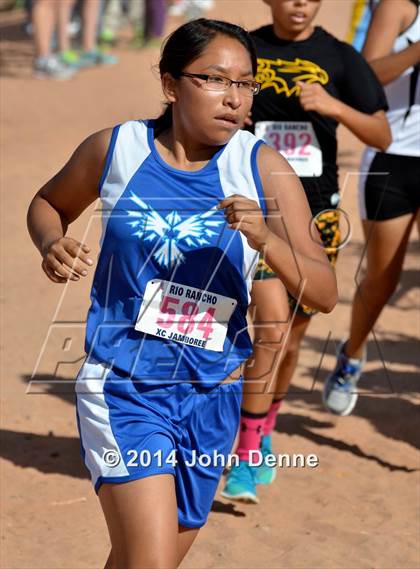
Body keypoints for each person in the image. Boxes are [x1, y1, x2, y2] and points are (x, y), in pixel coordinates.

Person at [27, 17, 337, 568]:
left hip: (213, 394)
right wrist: (52, 240)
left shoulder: (262, 167)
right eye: (215, 80)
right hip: (124, 386)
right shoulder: (117, 149)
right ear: (171, 85)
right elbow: (49, 203)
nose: (234, 98)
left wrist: (267, 238)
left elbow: (325, 290)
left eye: (246, 84)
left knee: (144, 560)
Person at [221, 0, 391, 504]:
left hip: (315, 217)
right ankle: (246, 454)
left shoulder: (340, 58)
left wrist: (333, 106)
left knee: (289, 339)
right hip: (252, 205)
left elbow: (381, 133)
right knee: (268, 326)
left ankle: (264, 424)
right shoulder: (242, 48)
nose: (300, 3)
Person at [323, 0, 420, 416]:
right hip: (394, 158)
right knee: (382, 281)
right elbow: (367, 77)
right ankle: (352, 355)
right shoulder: (399, 6)